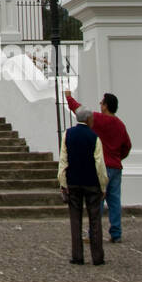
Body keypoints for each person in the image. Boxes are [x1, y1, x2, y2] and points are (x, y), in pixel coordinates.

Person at [65, 89, 132, 243]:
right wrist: (118, 157)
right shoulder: (120, 124)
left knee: (97, 201)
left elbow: (80, 110)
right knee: (114, 201)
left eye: (102, 103)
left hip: (101, 165)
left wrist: (69, 98)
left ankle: (94, 233)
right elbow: (127, 146)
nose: (100, 105)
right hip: (116, 166)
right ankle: (116, 233)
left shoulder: (100, 120)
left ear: (105, 106)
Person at [59, 105, 107, 266]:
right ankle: (97, 256)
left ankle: (77, 255)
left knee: (75, 220)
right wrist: (103, 186)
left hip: (73, 182)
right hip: (92, 182)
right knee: (95, 220)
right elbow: (99, 164)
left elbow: (63, 160)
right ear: (88, 119)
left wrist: (62, 182)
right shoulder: (94, 137)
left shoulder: (68, 134)